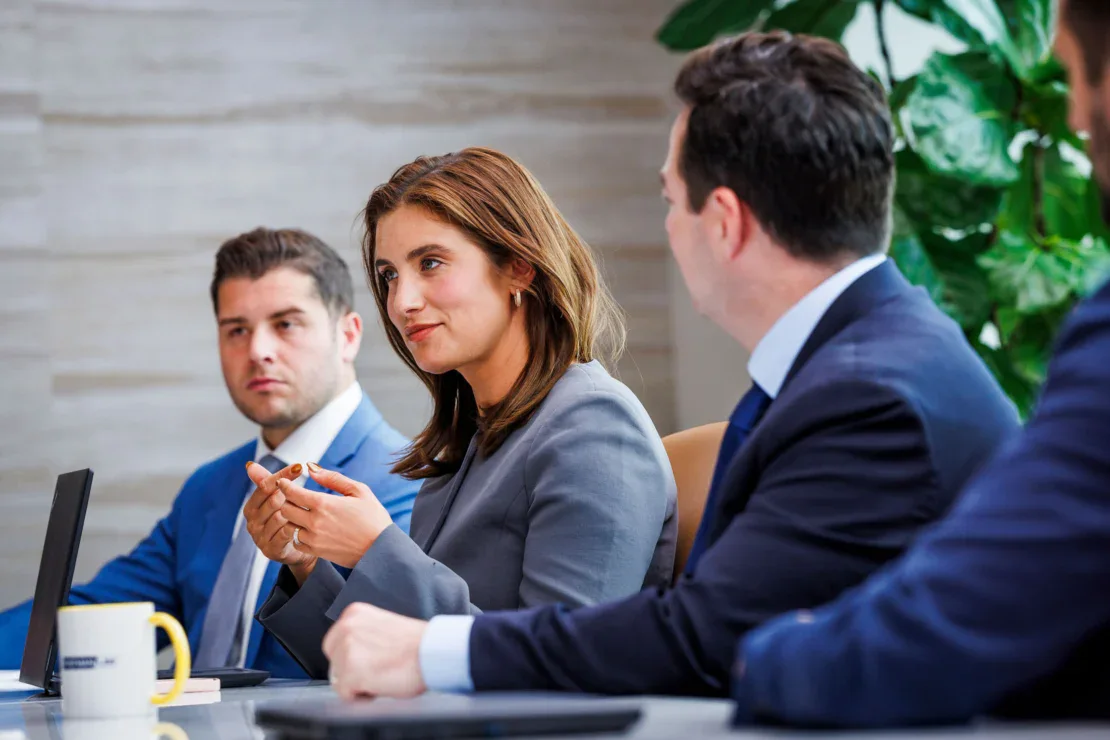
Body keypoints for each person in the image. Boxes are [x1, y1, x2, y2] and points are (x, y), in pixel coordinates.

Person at [314, 31, 1021, 700]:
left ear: (724, 221)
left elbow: (704, 637)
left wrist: (431, 651)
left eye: (669, 201)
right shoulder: (855, 364)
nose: (667, 227)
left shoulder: (868, 397)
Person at [725, 1, 1110, 726]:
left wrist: (775, 653)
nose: (1079, 125)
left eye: (1071, 84)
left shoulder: (874, 387)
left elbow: (923, 644)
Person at [249, 147, 679, 679]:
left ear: (519, 267)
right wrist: (306, 561)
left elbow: (560, 669)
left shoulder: (595, 428)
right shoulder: (467, 443)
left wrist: (375, 551)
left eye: (430, 263)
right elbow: (382, 662)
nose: (402, 301)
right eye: (388, 276)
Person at [0, 227, 420, 678]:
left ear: (349, 335)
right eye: (237, 330)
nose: (258, 351)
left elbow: (398, 655)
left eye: (286, 324)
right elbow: (103, 613)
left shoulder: (409, 479)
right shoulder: (209, 488)